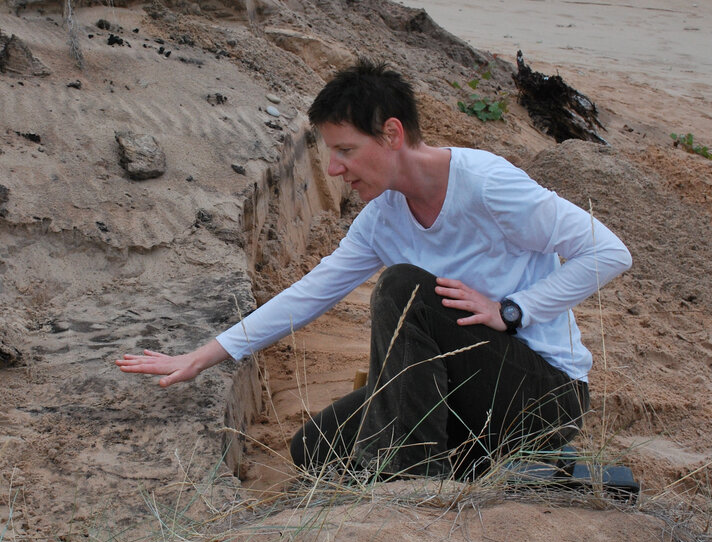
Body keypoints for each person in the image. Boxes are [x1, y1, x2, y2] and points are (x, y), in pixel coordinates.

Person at [116, 59, 632, 480]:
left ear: (391, 134)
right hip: (456, 394)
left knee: (404, 288)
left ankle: (412, 488)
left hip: (542, 397)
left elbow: (608, 252)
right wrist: (203, 355)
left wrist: (513, 310)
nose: (336, 170)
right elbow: (311, 292)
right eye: (329, 155)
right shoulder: (381, 220)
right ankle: (475, 469)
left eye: (345, 151)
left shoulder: (489, 186)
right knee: (317, 451)